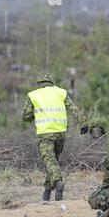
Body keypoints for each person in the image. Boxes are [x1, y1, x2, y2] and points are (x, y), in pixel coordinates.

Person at [21, 71, 88, 201]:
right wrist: (83, 123)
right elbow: (73, 108)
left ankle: (58, 182)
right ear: (51, 81)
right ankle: (47, 192)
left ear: (39, 82)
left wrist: (35, 113)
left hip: (45, 134)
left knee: (49, 161)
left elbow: (25, 116)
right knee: (53, 162)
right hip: (60, 133)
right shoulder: (61, 92)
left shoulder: (34, 95)